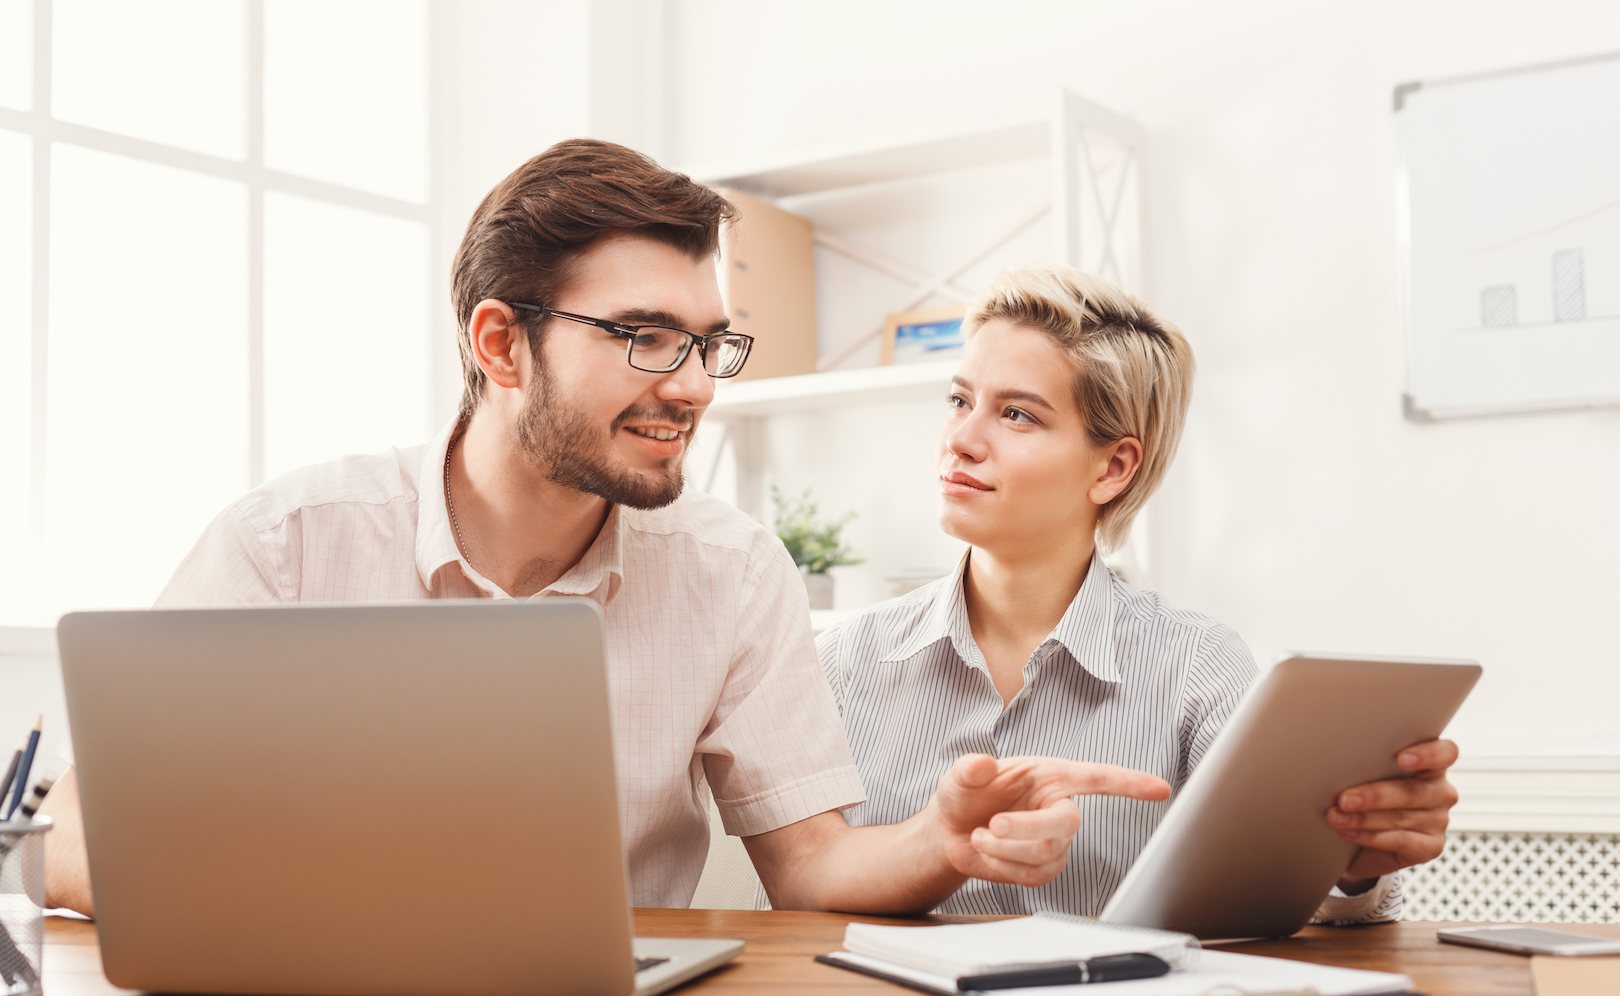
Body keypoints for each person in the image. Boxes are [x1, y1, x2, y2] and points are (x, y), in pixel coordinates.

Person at [39, 141, 1171, 918]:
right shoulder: (288, 544)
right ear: (499, 345)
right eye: (641, 335)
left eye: (707, 342)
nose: (689, 385)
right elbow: (78, 835)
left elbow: (813, 865)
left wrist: (940, 841)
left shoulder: (732, 575)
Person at [820, 264, 1458, 919]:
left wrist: (1354, 864)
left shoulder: (1197, 667)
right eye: (960, 401)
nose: (960, 440)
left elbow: (1282, 898)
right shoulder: (843, 661)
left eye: (1016, 414)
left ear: (1113, 467)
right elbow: (795, 896)